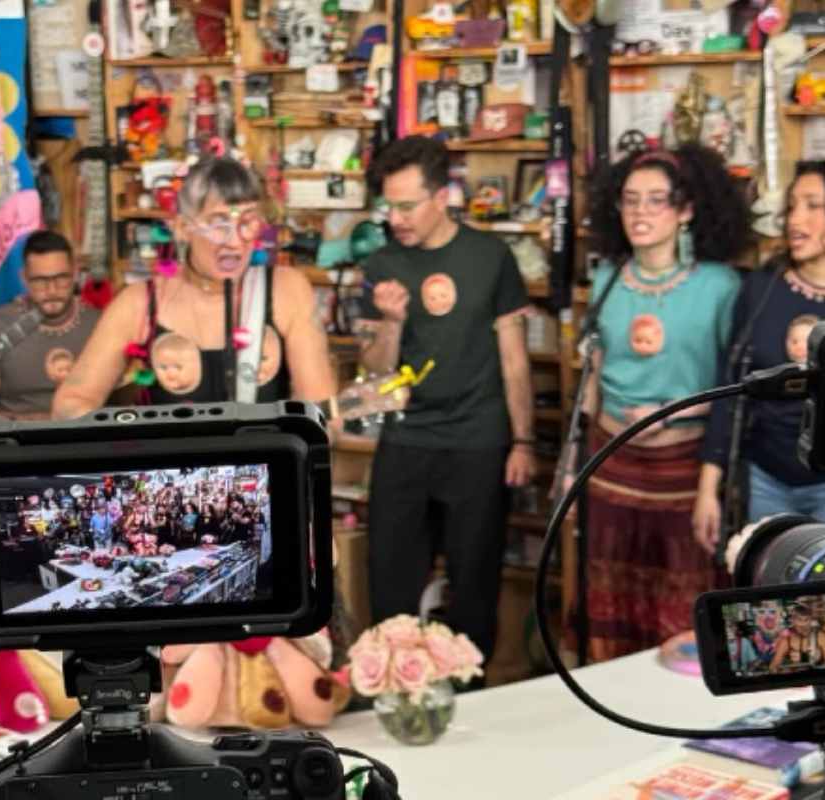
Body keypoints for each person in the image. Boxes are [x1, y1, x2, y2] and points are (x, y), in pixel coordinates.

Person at [359, 135, 535, 663]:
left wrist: (523, 441)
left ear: (443, 197)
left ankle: (470, 695)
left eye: (407, 205)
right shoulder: (382, 263)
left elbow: (514, 360)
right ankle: (391, 692)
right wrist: (391, 323)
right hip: (406, 438)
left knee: (474, 581)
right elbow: (376, 375)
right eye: (389, 205)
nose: (396, 218)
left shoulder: (490, 256)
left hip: (478, 441)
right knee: (390, 580)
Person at [580, 143, 748, 661]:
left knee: (685, 604)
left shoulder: (721, 286)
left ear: (686, 210)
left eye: (657, 200)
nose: (640, 212)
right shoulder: (606, 278)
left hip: (684, 471)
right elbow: (594, 371)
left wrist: (680, 420)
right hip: (612, 462)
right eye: (630, 200)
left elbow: (732, 387)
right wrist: (573, 463)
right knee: (612, 600)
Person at [51, 156, 336, 418]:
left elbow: (321, 411)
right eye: (218, 223)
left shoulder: (287, 290)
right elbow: (70, 403)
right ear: (182, 228)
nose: (235, 241)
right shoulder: (140, 303)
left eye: (247, 222)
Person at [695, 163, 825, 548]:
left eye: (812, 205)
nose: (795, 218)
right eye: (791, 206)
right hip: (765, 480)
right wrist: (708, 488)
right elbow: (729, 386)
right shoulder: (762, 287)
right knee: (769, 599)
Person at [0, 231, 101, 419]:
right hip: (16, 441)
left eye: (61, 278)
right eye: (40, 281)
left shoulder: (101, 325)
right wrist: (39, 425)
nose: (52, 290)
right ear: (24, 278)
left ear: (75, 274)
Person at [769, 603, 825, 672]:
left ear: (811, 620)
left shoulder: (820, 637)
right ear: (793, 621)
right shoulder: (786, 640)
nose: (803, 624)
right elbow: (773, 667)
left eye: (806, 620)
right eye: (799, 620)